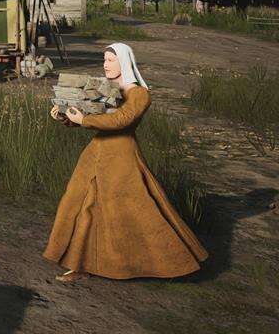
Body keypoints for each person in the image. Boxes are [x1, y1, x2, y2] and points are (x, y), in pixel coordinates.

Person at [44, 43, 208, 281]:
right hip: (95, 155)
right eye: (104, 60)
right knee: (82, 208)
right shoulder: (105, 89)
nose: (105, 65)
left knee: (131, 212)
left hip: (121, 159)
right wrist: (65, 117)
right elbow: (91, 115)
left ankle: (166, 263)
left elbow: (122, 120)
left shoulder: (139, 94)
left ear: (124, 62)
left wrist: (85, 120)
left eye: (110, 60)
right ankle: (80, 265)